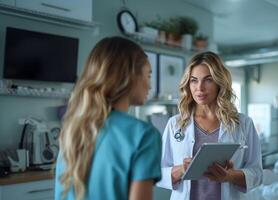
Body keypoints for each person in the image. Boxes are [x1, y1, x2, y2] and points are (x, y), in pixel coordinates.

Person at [54, 37, 162, 200]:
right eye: (148, 75)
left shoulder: (73, 130)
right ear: (131, 76)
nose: (150, 85)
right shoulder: (144, 135)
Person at [156, 51, 263, 200]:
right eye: (194, 80)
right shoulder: (175, 124)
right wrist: (182, 170)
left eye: (208, 80)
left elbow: (257, 173)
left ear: (219, 82)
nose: (199, 87)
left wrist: (230, 176)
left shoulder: (243, 123)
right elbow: (157, 172)